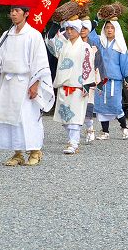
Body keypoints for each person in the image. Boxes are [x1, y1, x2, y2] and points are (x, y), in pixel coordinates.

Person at [0, 6, 55, 167]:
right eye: (11, 11)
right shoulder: (6, 35)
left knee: (27, 118)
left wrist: (36, 83)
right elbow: (2, 56)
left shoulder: (33, 35)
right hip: (9, 82)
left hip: (26, 82)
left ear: (26, 14)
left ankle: (35, 151)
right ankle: (17, 152)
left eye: (17, 10)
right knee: (11, 118)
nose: (13, 13)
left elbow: (40, 62)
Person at [48, 17, 97, 154]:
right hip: (64, 86)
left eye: (72, 29)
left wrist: (87, 85)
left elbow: (88, 66)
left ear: (78, 30)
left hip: (78, 86)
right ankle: (72, 140)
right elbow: (50, 41)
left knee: (75, 117)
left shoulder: (85, 47)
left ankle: (73, 143)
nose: (69, 32)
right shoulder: (63, 45)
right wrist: (55, 23)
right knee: (65, 118)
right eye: (67, 29)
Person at [89, 13, 128, 140]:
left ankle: (124, 127)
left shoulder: (120, 45)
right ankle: (105, 131)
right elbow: (89, 33)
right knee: (100, 105)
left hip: (115, 80)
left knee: (115, 104)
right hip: (101, 79)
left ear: (116, 30)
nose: (109, 30)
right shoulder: (99, 42)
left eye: (112, 28)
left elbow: (125, 62)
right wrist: (97, 18)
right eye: (107, 27)